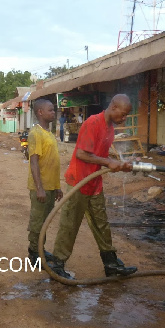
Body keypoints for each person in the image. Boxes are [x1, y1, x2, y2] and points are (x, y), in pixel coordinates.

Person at [50, 94, 138, 279]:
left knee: (101, 223)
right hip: (79, 181)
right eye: (123, 114)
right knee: (70, 224)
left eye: (126, 116)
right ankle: (57, 265)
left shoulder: (110, 129)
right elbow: (82, 154)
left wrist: (121, 162)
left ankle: (111, 263)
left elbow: (100, 155)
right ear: (113, 107)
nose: (124, 119)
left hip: (94, 183)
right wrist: (108, 163)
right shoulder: (93, 123)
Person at [26, 99, 62, 266]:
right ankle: (34, 253)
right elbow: (33, 162)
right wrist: (39, 188)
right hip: (40, 188)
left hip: (50, 187)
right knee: (37, 221)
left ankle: (41, 248)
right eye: (50, 110)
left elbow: (52, 162)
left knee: (45, 221)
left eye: (53, 110)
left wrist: (57, 187)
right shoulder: (35, 133)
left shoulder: (49, 133)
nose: (53, 113)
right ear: (40, 112)